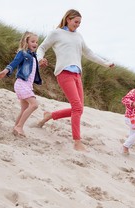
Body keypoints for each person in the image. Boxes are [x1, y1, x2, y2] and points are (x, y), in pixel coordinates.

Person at [36, 9, 115, 152]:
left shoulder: (78, 36)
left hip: (77, 75)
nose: (78, 25)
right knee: (77, 108)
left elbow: (89, 53)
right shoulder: (57, 33)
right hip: (64, 74)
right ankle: (77, 142)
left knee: (78, 109)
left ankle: (49, 116)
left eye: (80, 23)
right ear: (68, 19)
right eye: (75, 22)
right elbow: (42, 47)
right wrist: (40, 58)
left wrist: (106, 63)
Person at [0, 31, 42, 137]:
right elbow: (14, 63)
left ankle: (15, 128)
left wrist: (40, 64)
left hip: (28, 85)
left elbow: (32, 70)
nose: (35, 44)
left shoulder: (34, 57)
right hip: (21, 84)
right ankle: (19, 126)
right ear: (26, 42)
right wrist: (5, 71)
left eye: (37, 42)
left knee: (24, 109)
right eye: (32, 41)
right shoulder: (23, 53)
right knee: (34, 105)